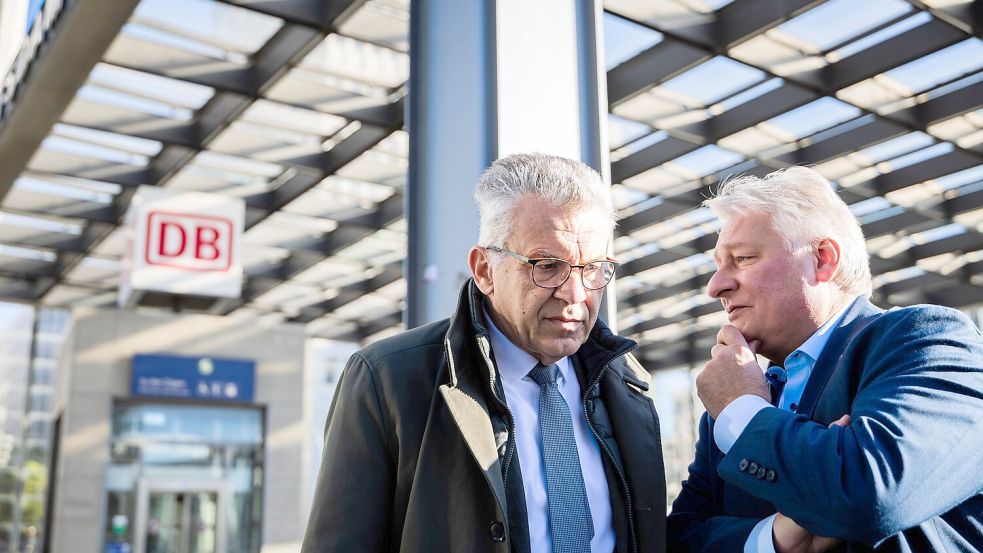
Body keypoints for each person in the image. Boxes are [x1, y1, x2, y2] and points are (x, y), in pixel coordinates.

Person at [301, 153, 667, 553]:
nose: (575, 294)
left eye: (592, 268)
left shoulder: (628, 383)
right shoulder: (387, 380)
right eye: (547, 265)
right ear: (485, 270)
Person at [667, 166, 983, 552]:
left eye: (743, 258)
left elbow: (872, 492)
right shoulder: (731, 402)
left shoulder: (925, 338)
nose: (716, 285)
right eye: (718, 264)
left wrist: (744, 412)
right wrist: (773, 539)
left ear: (822, 259)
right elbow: (680, 538)